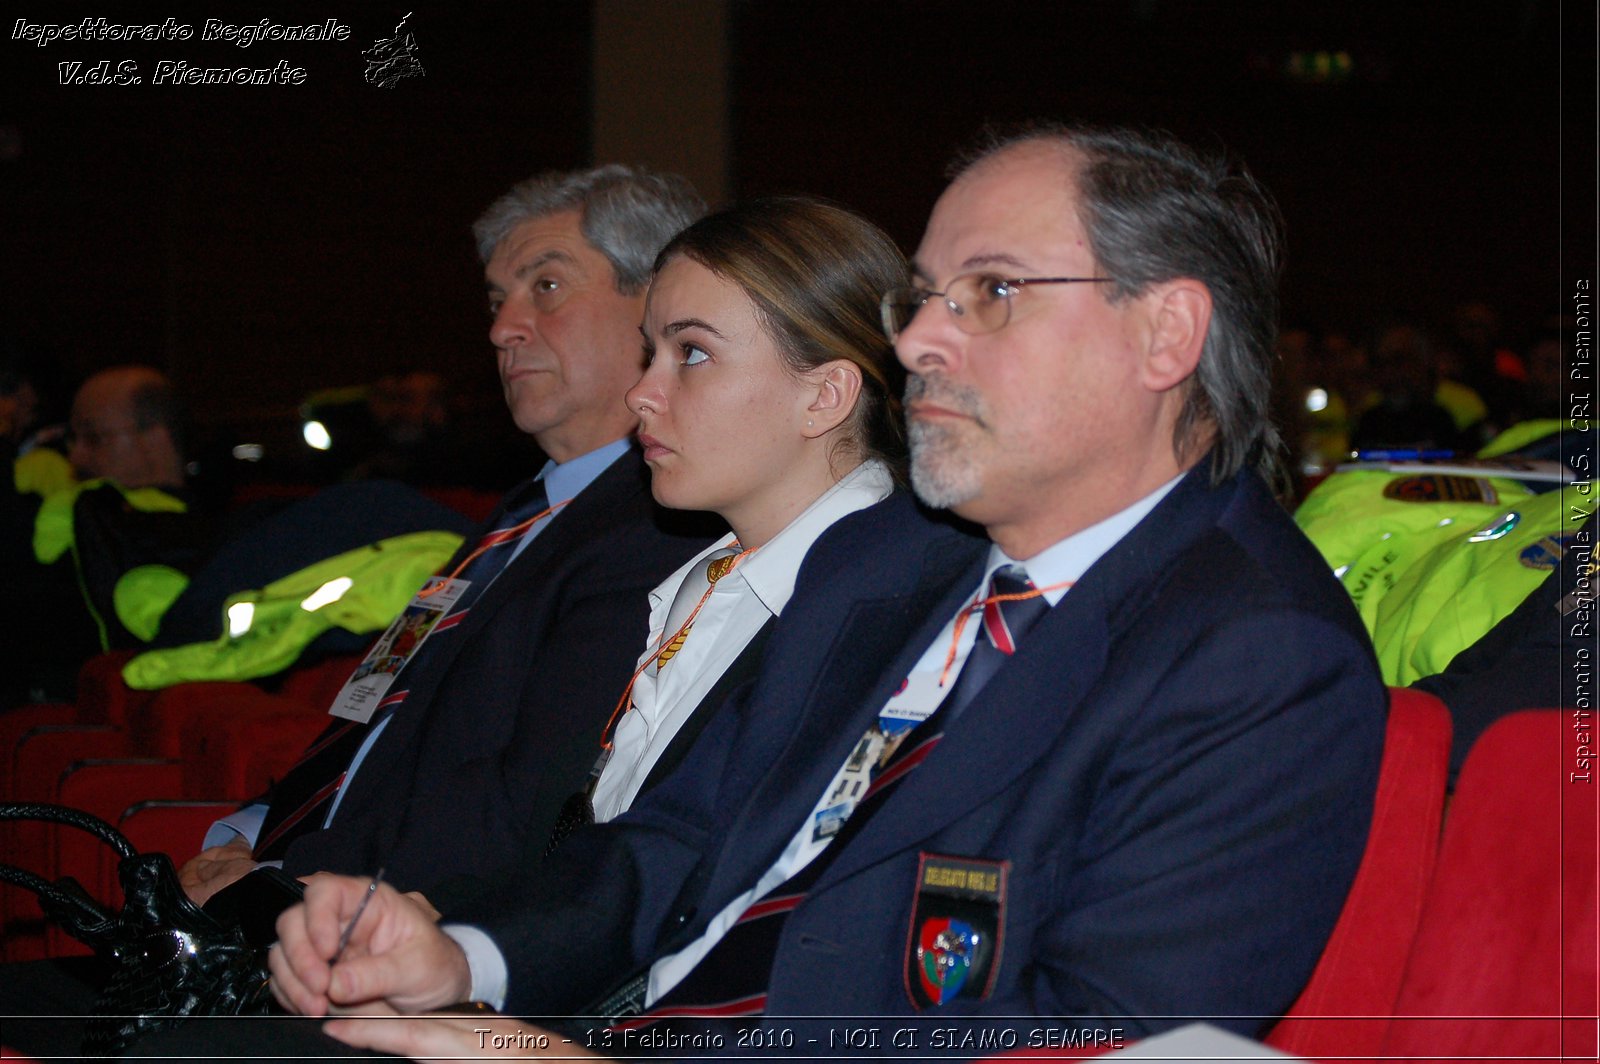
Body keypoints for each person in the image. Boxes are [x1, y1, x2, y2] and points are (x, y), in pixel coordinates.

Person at [186, 123, 1389, 1058]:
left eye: (992, 292)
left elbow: (1079, 1042)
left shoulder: (1256, 656)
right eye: (924, 294)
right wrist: (465, 956)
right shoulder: (888, 563)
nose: (917, 339)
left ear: (1165, 334)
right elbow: (674, 839)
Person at [0, 165, 718, 1059]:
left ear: (657, 304)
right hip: (302, 898)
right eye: (496, 299)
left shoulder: (653, 536)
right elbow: (373, 717)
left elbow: (512, 810)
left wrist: (275, 875)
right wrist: (249, 828)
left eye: (545, 286)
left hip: (401, 948)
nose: (501, 328)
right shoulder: (516, 519)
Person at [574, 196, 906, 832]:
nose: (640, 393)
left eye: (693, 352)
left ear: (825, 395)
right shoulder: (702, 573)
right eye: (652, 354)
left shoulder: (884, 618)